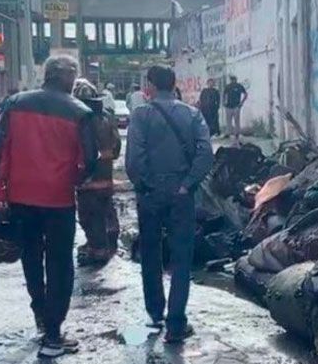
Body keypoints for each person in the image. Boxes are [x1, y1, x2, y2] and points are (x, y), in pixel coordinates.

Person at [0, 55, 98, 358]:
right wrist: (74, 179)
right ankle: (53, 333)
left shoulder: (14, 104)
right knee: (60, 263)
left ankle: (40, 314)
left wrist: (0, 191)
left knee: (31, 257)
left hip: (20, 197)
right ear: (70, 78)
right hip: (58, 199)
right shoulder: (80, 112)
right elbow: (89, 160)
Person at [125, 65, 213, 343]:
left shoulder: (141, 115)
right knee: (181, 257)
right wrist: (187, 184)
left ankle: (155, 312)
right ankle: (176, 323)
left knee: (150, 253)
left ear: (150, 85)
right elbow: (205, 154)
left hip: (151, 193)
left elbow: (134, 160)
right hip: (182, 193)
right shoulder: (192, 114)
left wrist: (145, 186)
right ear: (174, 84)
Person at [72, 79, 121, 267]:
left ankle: (98, 251)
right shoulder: (107, 117)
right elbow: (116, 149)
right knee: (107, 211)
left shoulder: (78, 119)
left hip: (87, 180)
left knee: (88, 217)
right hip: (105, 178)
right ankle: (108, 246)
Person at [223, 75, 248, 140]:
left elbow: (245, 94)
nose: (233, 81)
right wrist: (224, 102)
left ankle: (237, 134)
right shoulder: (228, 86)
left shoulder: (239, 86)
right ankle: (229, 133)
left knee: (236, 121)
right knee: (229, 121)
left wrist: (241, 103)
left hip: (236, 106)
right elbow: (224, 94)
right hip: (228, 106)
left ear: (236, 80)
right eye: (232, 80)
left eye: (234, 79)